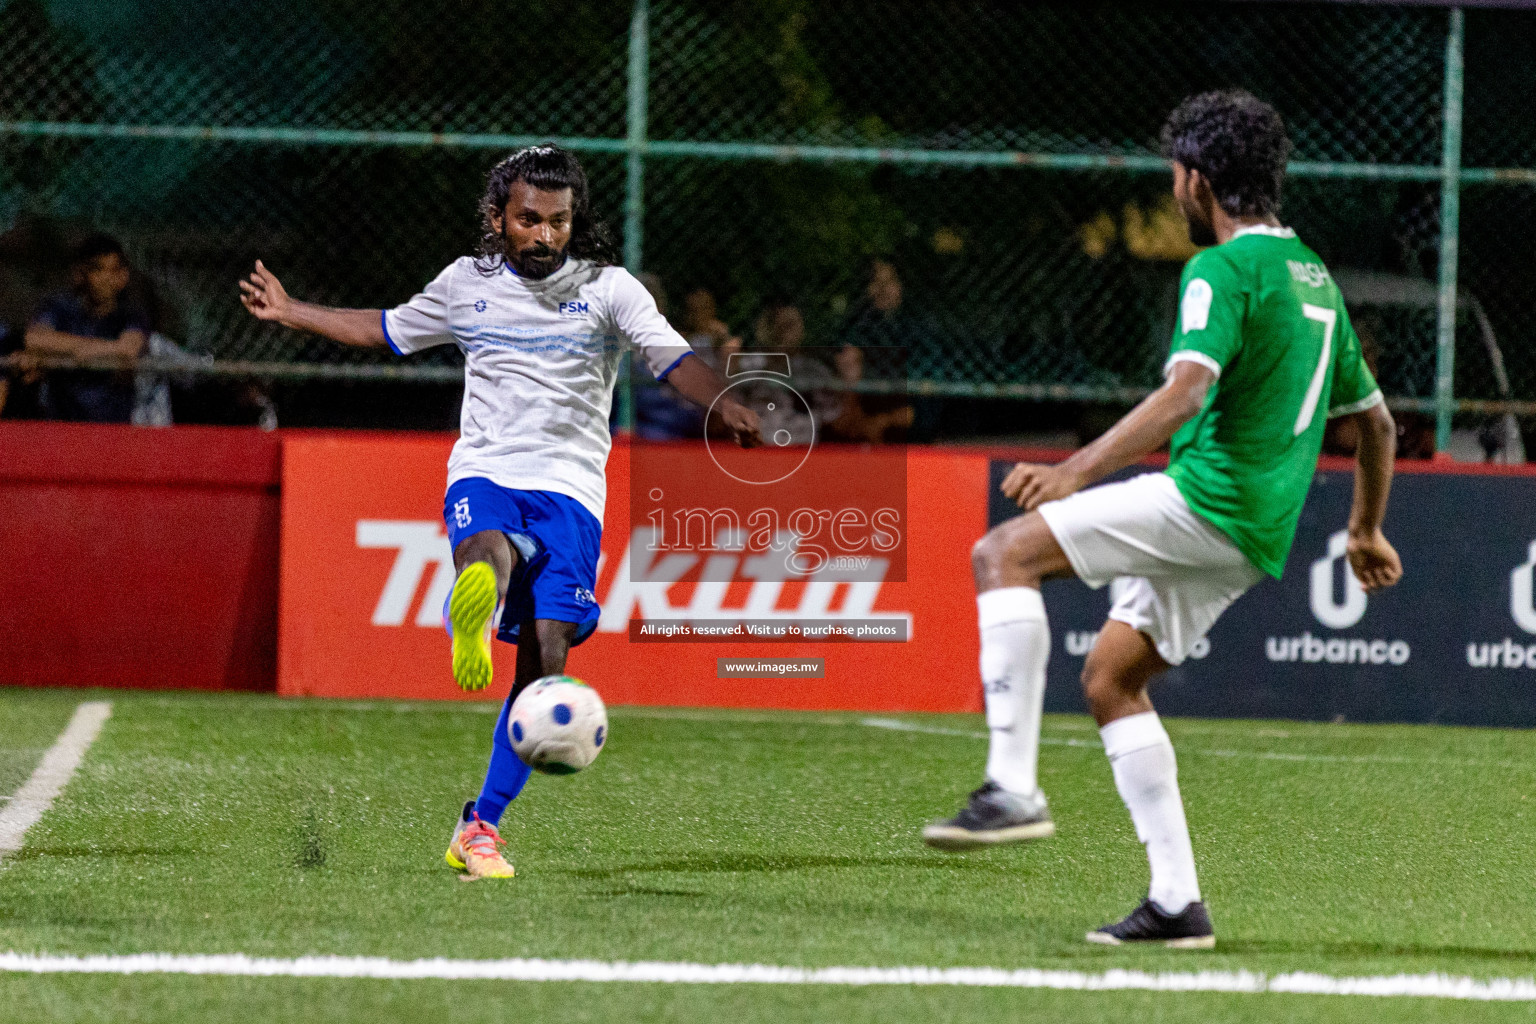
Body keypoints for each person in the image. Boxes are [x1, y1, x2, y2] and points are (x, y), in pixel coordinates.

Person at [922, 91, 1403, 948]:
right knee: (1112, 679)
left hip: (1209, 503)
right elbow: (1376, 422)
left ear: (1198, 180)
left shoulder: (1221, 271)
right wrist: (1365, 528)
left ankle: (1011, 787)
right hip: (1258, 533)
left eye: (1173, 178)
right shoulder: (1315, 277)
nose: (1172, 193)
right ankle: (1178, 904)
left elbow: (1186, 392)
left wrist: (1075, 469)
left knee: (1003, 555)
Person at [240, 144, 762, 879]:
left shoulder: (612, 289)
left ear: (573, 221)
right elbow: (387, 329)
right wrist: (293, 311)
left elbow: (670, 358)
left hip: (574, 490)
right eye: (528, 219)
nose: (544, 234)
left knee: (546, 667)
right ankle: (473, 609)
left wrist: (728, 403)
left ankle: (477, 826)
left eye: (557, 220)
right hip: (486, 467)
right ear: (499, 218)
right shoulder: (466, 284)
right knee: (487, 545)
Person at [25, 234, 149, 422]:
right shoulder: (59, 308)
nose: (105, 279)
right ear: (81, 274)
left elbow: (128, 349)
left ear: (123, 277)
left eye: (113, 271)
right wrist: (91, 349)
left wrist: (68, 350)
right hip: (63, 427)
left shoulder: (131, 315)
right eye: (97, 270)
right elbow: (35, 339)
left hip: (113, 429)